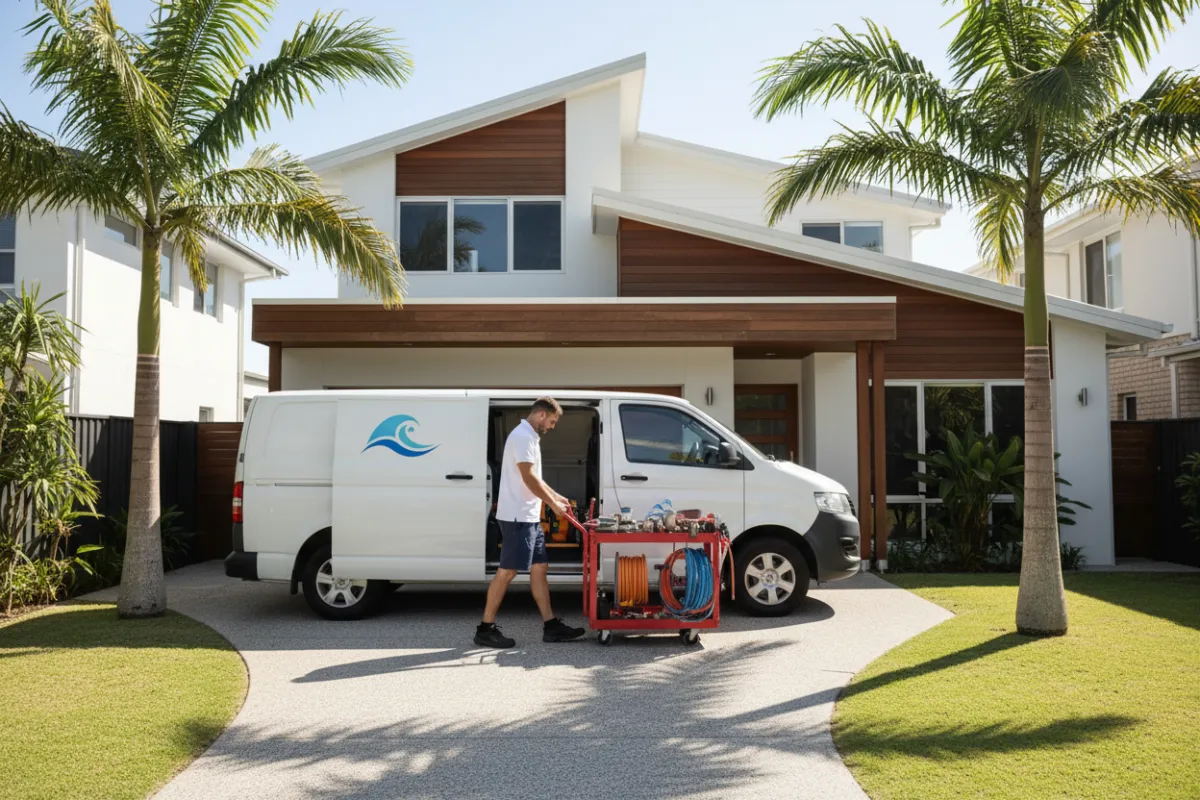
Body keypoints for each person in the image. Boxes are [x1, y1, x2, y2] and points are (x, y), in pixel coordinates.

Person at [474, 397, 586, 648]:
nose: (553, 427)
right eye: (553, 421)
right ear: (543, 414)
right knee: (507, 572)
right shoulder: (522, 437)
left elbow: (535, 477)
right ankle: (485, 628)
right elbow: (528, 478)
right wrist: (553, 505)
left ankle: (551, 625)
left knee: (539, 568)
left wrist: (557, 497)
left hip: (529, 516)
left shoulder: (530, 437)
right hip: (517, 517)